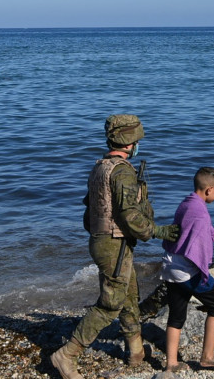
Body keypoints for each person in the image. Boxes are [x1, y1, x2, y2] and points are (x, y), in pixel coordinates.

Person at [51, 114, 180, 379]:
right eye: (137, 141)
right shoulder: (122, 171)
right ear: (130, 142)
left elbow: (89, 213)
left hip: (102, 240)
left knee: (129, 295)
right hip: (113, 243)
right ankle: (67, 355)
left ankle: (135, 351)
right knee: (110, 303)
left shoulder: (100, 167)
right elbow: (128, 215)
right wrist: (158, 231)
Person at [161, 167, 214, 372]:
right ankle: (208, 356)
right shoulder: (200, 215)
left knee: (176, 314)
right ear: (209, 190)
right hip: (187, 270)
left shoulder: (187, 202)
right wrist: (204, 272)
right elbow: (197, 250)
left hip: (170, 265)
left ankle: (171, 363)